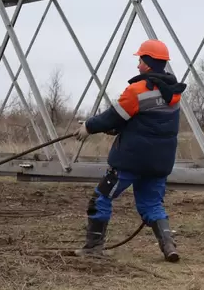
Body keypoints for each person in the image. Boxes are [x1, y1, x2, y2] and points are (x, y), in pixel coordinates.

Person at [74, 39, 186, 263]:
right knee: (152, 204)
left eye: (140, 60)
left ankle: (93, 248)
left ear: (147, 62)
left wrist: (88, 127)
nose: (137, 65)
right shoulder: (174, 95)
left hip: (131, 160)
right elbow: (146, 121)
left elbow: (112, 117)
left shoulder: (137, 91)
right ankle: (169, 247)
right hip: (160, 162)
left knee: (101, 197)